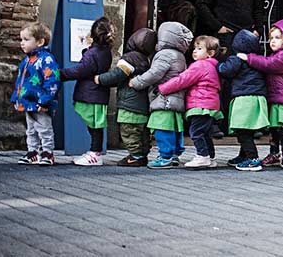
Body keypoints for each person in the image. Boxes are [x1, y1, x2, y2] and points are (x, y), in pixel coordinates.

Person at [196, 0, 265, 139]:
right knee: (222, 79)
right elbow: (201, 5)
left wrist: (258, 31)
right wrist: (218, 27)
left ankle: (248, 124)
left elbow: (258, 9)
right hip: (225, 37)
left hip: (247, 38)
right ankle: (219, 123)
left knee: (248, 81)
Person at [237, 18, 283, 170]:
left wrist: (249, 58)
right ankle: (274, 154)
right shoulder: (277, 54)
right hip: (275, 97)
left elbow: (268, 65)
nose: (272, 41)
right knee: (274, 128)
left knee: (282, 128)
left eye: (277, 38)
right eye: (271, 38)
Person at [129, 21, 193, 169]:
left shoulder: (165, 54)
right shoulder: (180, 55)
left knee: (162, 128)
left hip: (163, 99)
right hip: (175, 99)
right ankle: (175, 154)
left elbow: (154, 74)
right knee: (174, 128)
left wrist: (137, 81)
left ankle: (165, 157)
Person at [95, 28, 157, 167]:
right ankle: (142, 154)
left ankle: (135, 156)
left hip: (129, 105)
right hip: (143, 106)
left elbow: (118, 74)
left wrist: (100, 79)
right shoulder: (147, 60)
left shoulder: (129, 58)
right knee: (142, 133)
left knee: (129, 131)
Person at [158, 35, 223, 169]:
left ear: (210, 54)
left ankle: (202, 156)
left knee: (196, 132)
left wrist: (163, 88)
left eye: (199, 48)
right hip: (210, 104)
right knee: (205, 132)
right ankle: (210, 157)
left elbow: (182, 79)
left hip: (200, 104)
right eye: (194, 48)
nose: (194, 51)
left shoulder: (200, 65)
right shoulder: (212, 66)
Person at [60, 16, 114, 167]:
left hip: (91, 93)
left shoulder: (93, 53)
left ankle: (95, 153)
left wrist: (61, 74)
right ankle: (93, 152)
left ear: (92, 35)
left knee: (95, 126)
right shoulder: (105, 51)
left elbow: (81, 70)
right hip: (97, 93)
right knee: (94, 125)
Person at [218, 30, 269, 171]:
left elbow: (227, 70)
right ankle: (243, 155)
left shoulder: (237, 58)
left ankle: (253, 159)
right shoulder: (256, 59)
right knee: (247, 131)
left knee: (243, 131)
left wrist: (218, 65)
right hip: (257, 97)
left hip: (244, 98)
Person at [11, 22, 60, 165]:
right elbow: (20, 81)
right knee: (31, 129)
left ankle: (47, 152)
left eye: (26, 40)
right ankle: (32, 152)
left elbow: (52, 81)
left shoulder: (47, 59)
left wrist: (45, 101)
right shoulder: (26, 60)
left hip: (40, 103)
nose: (22, 43)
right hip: (28, 102)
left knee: (44, 128)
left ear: (40, 42)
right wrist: (16, 98)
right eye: (21, 40)